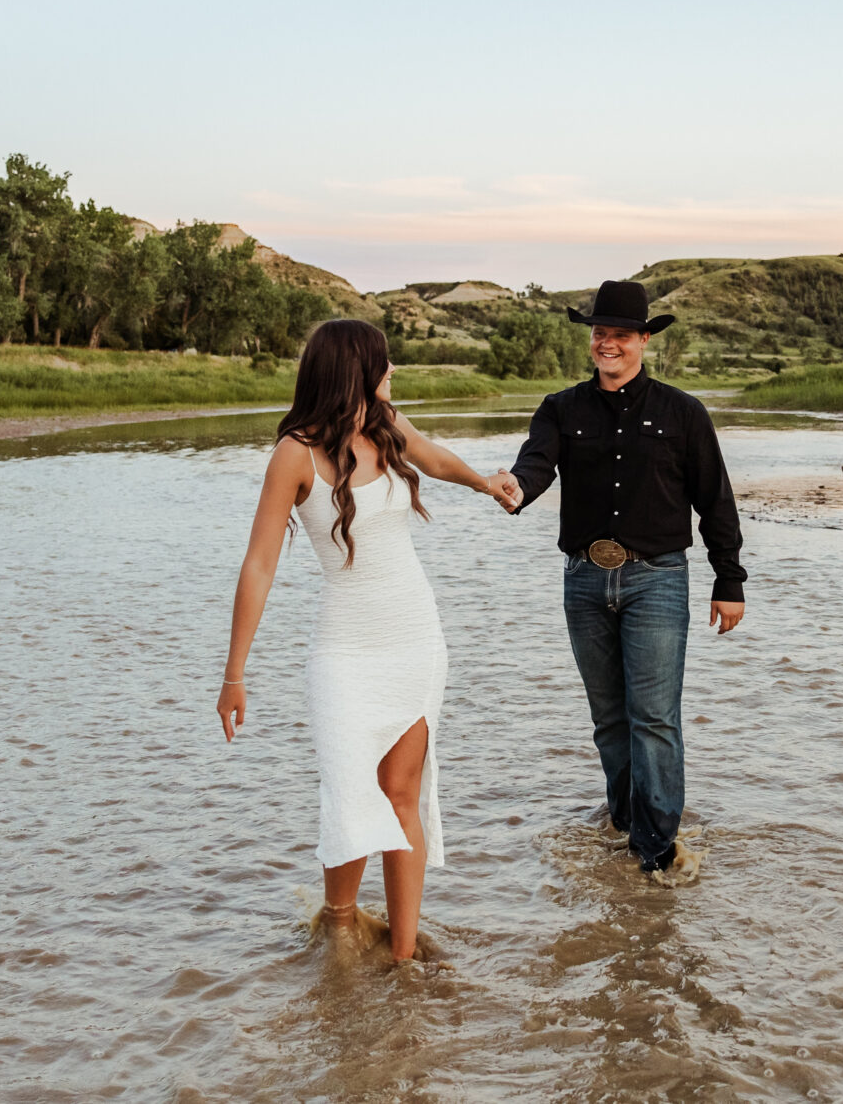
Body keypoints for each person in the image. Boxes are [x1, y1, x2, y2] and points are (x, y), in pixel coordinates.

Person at [216, 317, 520, 961]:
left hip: (414, 639)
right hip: (344, 652)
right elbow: (259, 564)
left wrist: (485, 484)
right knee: (351, 790)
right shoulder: (295, 454)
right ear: (354, 370)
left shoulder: (386, 425)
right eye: (384, 363)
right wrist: (234, 673)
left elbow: (433, 457)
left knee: (402, 792)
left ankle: (405, 961)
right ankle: (341, 930)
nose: (392, 374)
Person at [478, 279, 747, 876]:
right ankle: (626, 823)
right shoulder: (560, 408)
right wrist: (515, 489)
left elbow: (715, 501)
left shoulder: (683, 413)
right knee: (609, 719)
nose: (607, 344)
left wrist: (729, 580)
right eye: (600, 333)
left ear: (644, 340)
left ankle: (655, 855)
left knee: (654, 718)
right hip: (583, 580)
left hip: (657, 579)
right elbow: (536, 464)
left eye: (620, 334)